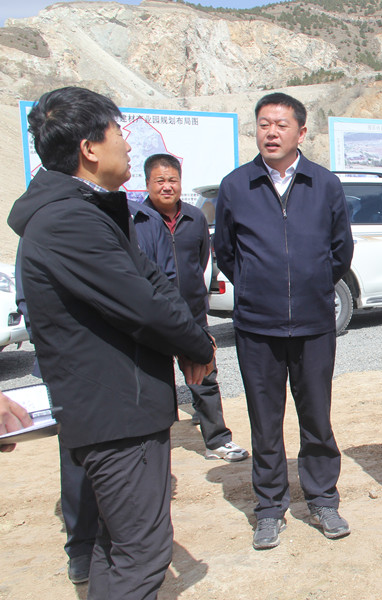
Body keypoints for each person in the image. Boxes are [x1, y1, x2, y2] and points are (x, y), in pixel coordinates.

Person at [8, 86, 216, 600]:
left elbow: (153, 283)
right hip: (118, 415)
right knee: (142, 555)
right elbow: (141, 305)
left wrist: (192, 337)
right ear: (89, 149)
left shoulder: (88, 211)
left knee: (117, 546)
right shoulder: (69, 221)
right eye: (118, 133)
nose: (127, 144)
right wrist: (198, 346)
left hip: (119, 409)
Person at [214, 92, 354, 549]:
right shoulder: (236, 185)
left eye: (280, 125)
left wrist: (312, 287)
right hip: (258, 327)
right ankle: (270, 508)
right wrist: (256, 287)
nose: (271, 133)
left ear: (301, 131)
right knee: (265, 422)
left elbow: (341, 250)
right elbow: (227, 252)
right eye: (263, 124)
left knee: (316, 418)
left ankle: (323, 499)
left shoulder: (324, 184)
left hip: (314, 325)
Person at [139, 153, 248, 462]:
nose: (167, 186)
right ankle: (149, 450)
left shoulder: (195, 218)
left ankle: (217, 441)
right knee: (151, 381)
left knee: (204, 376)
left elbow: (201, 261)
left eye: (172, 180)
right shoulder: (137, 221)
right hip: (152, 317)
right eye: (160, 181)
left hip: (191, 314)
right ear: (147, 184)